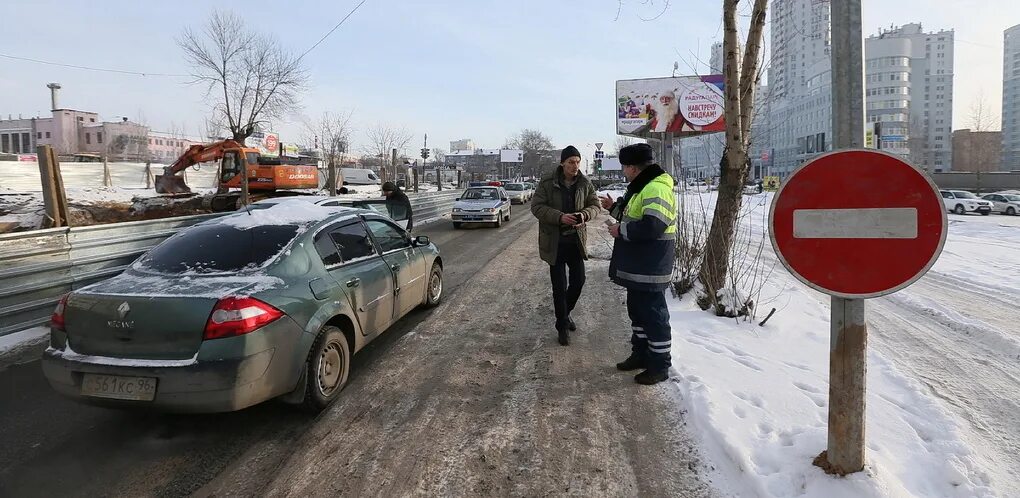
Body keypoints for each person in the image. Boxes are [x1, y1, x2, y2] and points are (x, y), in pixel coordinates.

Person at [601, 143, 678, 385]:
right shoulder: (642, 187)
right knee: (638, 313)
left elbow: (653, 225)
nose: (624, 171)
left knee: (654, 316)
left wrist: (619, 230)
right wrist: (614, 208)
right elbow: (636, 217)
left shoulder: (656, 188)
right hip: (640, 265)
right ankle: (641, 354)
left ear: (633, 167)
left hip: (651, 266)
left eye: (625, 167)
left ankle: (659, 365)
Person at [531, 145, 601, 346]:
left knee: (578, 281)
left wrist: (583, 215)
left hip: (576, 242)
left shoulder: (585, 183)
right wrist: (560, 217)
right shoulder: (547, 182)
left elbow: (595, 206)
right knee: (559, 287)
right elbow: (536, 207)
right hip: (555, 242)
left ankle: (565, 314)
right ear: (562, 163)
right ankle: (562, 326)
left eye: (578, 161)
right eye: (571, 162)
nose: (575, 166)